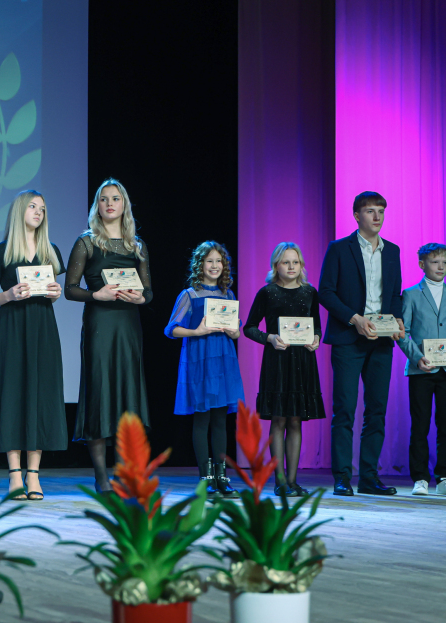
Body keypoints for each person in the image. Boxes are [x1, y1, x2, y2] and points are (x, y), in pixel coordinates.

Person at [66, 179, 152, 492]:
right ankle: (102, 477)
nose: (110, 204)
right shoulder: (87, 242)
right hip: (100, 325)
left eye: (115, 199)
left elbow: (149, 292)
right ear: (97, 206)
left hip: (128, 326)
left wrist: (140, 298)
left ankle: (125, 474)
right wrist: (95, 295)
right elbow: (70, 289)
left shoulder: (137, 245)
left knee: (127, 395)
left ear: (124, 204)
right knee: (100, 393)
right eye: (104, 199)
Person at [317, 190, 405, 496]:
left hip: (381, 340)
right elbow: (325, 292)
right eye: (370, 211)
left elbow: (395, 294)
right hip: (348, 339)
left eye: (381, 210)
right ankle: (342, 476)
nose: (377, 216)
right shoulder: (339, 248)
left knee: (376, 410)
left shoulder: (392, 251)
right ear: (357, 216)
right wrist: (354, 319)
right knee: (345, 409)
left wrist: (397, 319)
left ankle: (369, 477)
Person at [0, 190, 67, 500]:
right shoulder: (0, 251)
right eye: (32, 206)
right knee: (13, 395)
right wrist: (8, 295)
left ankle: (34, 475)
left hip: (43, 328)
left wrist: (55, 293)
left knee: (40, 396)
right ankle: (14, 475)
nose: (38, 212)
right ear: (19, 211)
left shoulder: (51, 251)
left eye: (42, 208)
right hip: (13, 328)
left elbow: (53, 294)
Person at [243, 242, 324, 497]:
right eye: (286, 262)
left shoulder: (310, 292)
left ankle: (293, 481)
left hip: (302, 362)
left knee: (296, 420)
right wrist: (269, 338)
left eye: (295, 262)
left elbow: (316, 326)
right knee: (278, 419)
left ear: (301, 265)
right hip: (277, 361)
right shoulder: (267, 293)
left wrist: (316, 339)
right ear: (276, 266)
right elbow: (249, 327)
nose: (291, 267)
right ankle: (280, 482)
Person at [167, 241, 245, 498]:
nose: (214, 265)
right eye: (209, 261)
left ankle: (222, 477)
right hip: (200, 361)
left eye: (218, 261)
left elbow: (235, 332)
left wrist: (234, 331)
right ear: (200, 265)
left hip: (223, 361)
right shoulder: (190, 294)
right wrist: (197, 331)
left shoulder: (228, 295)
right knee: (202, 419)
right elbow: (171, 329)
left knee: (221, 420)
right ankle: (206, 478)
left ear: (224, 266)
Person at [396, 243, 446, 496]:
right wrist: (417, 358)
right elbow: (402, 332)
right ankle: (420, 478)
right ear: (422, 264)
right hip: (422, 370)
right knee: (420, 424)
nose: (441, 267)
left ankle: (444, 478)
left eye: (445, 263)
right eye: (435, 262)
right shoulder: (410, 294)